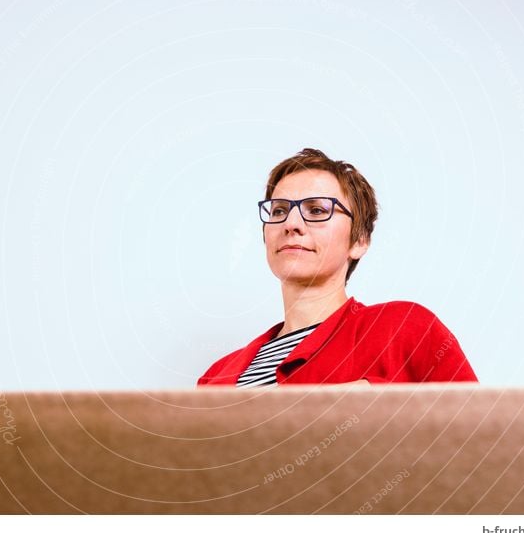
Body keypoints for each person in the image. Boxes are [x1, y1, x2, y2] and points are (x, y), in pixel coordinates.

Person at [197, 148, 477, 387]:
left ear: (359, 240)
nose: (291, 224)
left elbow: (487, 434)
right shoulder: (215, 378)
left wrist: (371, 401)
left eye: (317, 210)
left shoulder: (405, 329)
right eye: (279, 211)